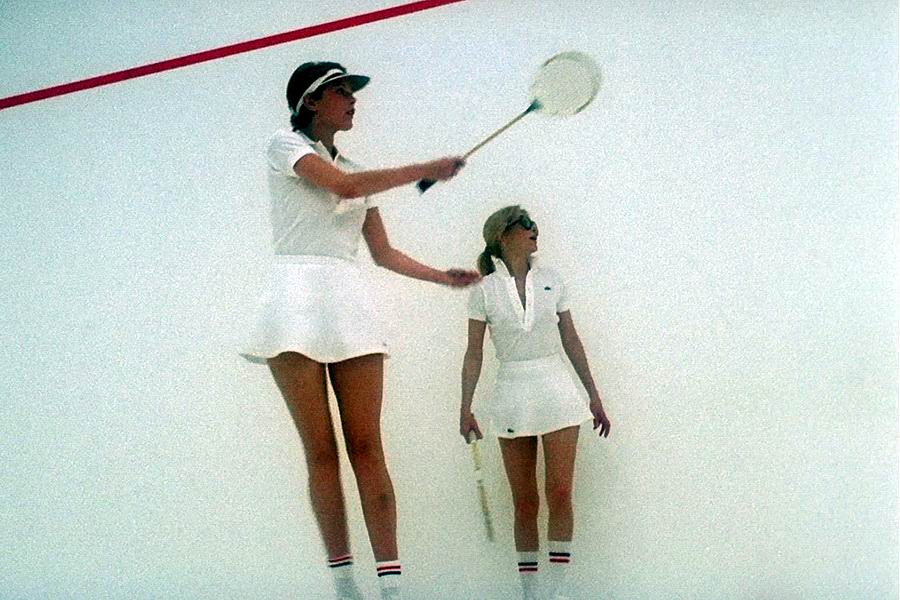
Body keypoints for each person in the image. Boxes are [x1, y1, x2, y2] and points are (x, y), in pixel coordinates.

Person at [240, 61, 480, 600]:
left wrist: (443, 277)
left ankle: (391, 587)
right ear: (310, 101)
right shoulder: (284, 145)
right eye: (342, 92)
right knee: (321, 452)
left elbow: (384, 253)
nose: (353, 100)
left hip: (348, 305)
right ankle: (344, 585)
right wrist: (425, 169)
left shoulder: (357, 169)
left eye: (353, 92)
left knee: (368, 447)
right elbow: (344, 187)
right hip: (293, 302)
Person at [459, 205, 611, 600]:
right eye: (525, 225)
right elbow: (474, 352)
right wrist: (465, 407)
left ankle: (556, 591)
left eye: (534, 225)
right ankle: (530, 592)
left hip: (558, 393)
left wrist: (593, 395)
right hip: (512, 395)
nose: (534, 230)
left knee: (560, 493)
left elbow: (571, 339)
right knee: (524, 502)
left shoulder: (552, 281)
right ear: (503, 234)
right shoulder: (483, 290)